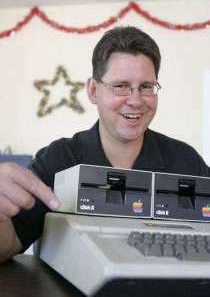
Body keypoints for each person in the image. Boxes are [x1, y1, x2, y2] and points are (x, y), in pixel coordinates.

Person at [0, 26, 209, 263]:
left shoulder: (186, 161)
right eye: (121, 86)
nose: (136, 100)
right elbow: (9, 243)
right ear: (92, 90)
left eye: (146, 87)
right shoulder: (58, 159)